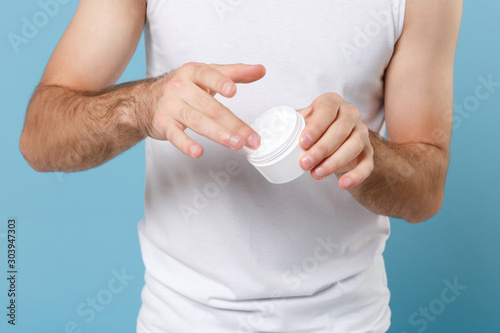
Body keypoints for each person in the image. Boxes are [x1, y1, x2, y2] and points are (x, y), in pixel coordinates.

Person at [19, 0, 462, 332]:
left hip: (346, 321)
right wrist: (141, 105)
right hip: (181, 320)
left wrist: (367, 155)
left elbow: (427, 188)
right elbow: (40, 138)